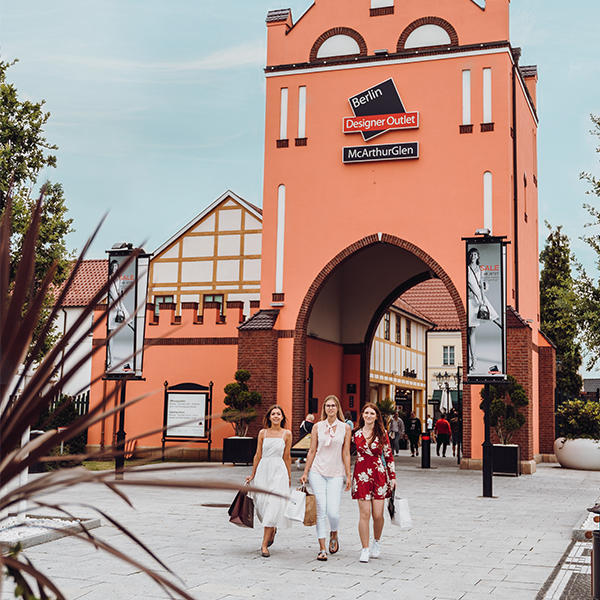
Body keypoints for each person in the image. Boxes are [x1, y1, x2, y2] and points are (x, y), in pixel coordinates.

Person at [300, 395, 352, 561]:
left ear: (337, 408)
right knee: (321, 509)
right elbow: (312, 451)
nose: (330, 408)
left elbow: (346, 452)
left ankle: (334, 532)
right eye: (328, 405)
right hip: (317, 471)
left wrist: (348, 475)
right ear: (324, 408)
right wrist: (306, 472)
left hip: (336, 473)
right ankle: (322, 548)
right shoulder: (317, 427)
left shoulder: (345, 428)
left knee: (333, 512)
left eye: (333, 406)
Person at [351, 402, 396, 563]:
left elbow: (389, 455)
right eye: (366, 413)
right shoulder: (355, 434)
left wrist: (393, 477)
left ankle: (377, 541)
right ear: (362, 415)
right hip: (361, 475)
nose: (368, 416)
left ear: (376, 417)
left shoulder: (381, 433)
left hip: (378, 475)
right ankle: (365, 548)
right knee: (364, 514)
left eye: (372, 413)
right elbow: (343, 451)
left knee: (377, 514)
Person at [245, 405, 292, 558]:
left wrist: (289, 477)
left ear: (282, 417)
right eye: (273, 414)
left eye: (279, 414)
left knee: (273, 505)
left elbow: (287, 457)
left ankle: (264, 545)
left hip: (279, 471)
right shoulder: (262, 433)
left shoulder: (287, 434)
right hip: (263, 471)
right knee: (261, 506)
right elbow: (257, 455)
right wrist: (252, 475)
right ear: (269, 417)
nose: (276, 416)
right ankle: (272, 528)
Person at [467, 247, 502, 371]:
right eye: (472, 254)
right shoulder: (466, 269)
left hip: (480, 299)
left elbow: (481, 285)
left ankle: (508, 334)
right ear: (469, 256)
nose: (473, 256)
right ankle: (474, 362)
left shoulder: (480, 269)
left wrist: (482, 299)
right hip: (471, 300)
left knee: (495, 317)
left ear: (478, 256)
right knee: (472, 330)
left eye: (475, 254)